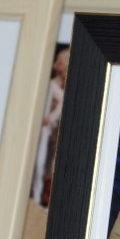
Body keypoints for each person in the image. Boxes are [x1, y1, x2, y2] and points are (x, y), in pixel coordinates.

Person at [31, 46, 69, 206]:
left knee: (50, 167)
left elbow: (61, 104)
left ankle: (44, 199)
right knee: (39, 165)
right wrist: (49, 117)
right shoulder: (52, 84)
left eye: (61, 62)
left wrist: (52, 117)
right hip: (45, 130)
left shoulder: (65, 85)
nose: (56, 65)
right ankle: (36, 197)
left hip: (56, 132)